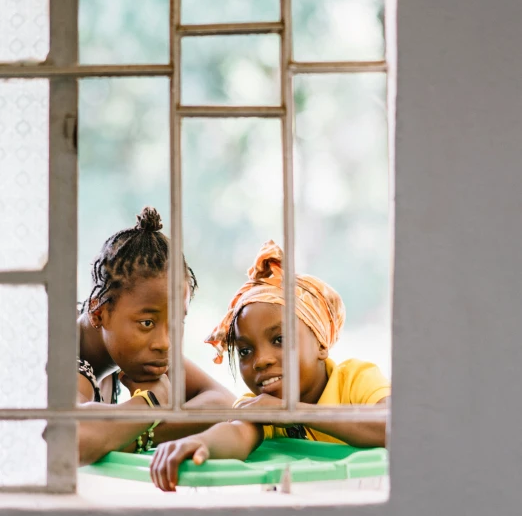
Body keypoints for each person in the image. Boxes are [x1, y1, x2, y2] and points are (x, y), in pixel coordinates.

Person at [149, 240, 390, 491]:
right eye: (245, 351)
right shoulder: (261, 405)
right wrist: (201, 444)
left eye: (279, 340)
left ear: (321, 344)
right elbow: (237, 434)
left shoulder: (356, 378)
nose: (261, 360)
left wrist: (293, 411)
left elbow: (396, 426)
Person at [77, 206, 235, 465]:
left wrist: (134, 431)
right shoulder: (61, 351)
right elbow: (73, 439)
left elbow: (224, 402)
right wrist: (151, 403)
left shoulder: (133, 348)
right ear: (98, 311)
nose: (165, 343)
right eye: (147, 322)